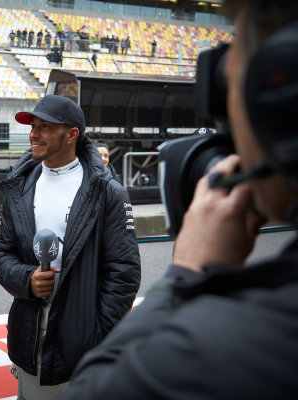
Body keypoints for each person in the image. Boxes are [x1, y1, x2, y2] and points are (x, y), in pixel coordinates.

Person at [61, 1, 298, 398]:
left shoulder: (216, 350)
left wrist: (187, 272)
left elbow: (95, 389)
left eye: (228, 71)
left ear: (281, 88)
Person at [0, 95, 141, 399]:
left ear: (72, 134)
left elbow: (124, 272)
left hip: (82, 342)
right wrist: (26, 280)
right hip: (29, 333)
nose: (34, 134)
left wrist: (96, 335)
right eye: (33, 125)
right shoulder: (19, 185)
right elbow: (0, 254)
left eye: (45, 126)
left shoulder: (108, 191)